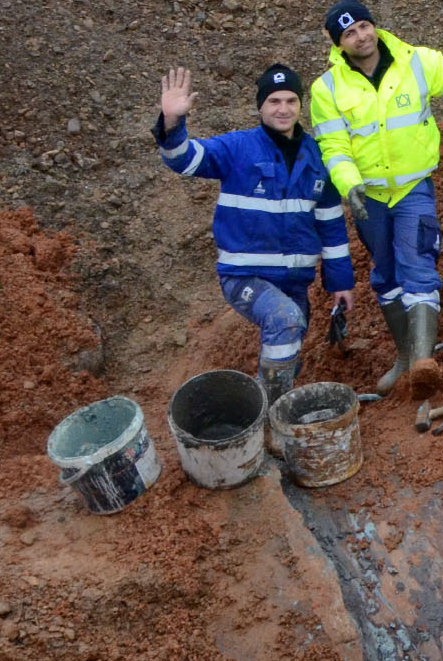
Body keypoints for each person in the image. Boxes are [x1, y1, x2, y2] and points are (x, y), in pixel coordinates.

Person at [308, 0, 443, 398]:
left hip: (413, 189)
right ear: (339, 44)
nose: (360, 36)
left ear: (374, 26)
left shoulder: (414, 61)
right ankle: (404, 357)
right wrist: (350, 185)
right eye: (349, 33)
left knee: (418, 262)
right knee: (386, 274)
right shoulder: (327, 88)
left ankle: (423, 361)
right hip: (369, 198)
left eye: (364, 26)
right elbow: (334, 147)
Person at [152, 63, 354, 409]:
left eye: (291, 100)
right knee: (284, 320)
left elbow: (331, 226)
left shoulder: (319, 157)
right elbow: (184, 159)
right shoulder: (238, 148)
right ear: (260, 106)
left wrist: (341, 283)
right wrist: (172, 123)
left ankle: (266, 407)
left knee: (290, 343)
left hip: (295, 280)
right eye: (274, 101)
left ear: (300, 105)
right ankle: (267, 421)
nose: (283, 108)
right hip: (244, 276)